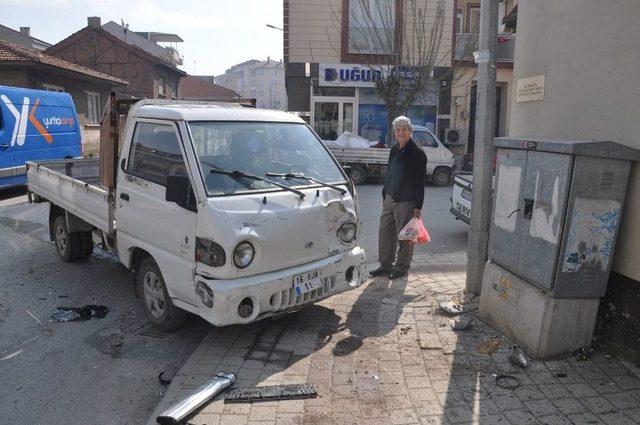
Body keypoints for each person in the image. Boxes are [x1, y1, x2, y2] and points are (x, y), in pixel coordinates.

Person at [369, 116, 427, 279]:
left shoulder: (417, 153)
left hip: (406, 201)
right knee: (385, 233)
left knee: (405, 236)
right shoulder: (395, 149)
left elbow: (420, 182)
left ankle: (401, 267)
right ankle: (385, 265)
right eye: (398, 130)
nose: (401, 132)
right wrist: (384, 193)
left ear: (410, 131)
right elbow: (389, 173)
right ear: (395, 132)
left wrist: (418, 207)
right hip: (390, 198)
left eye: (404, 129)